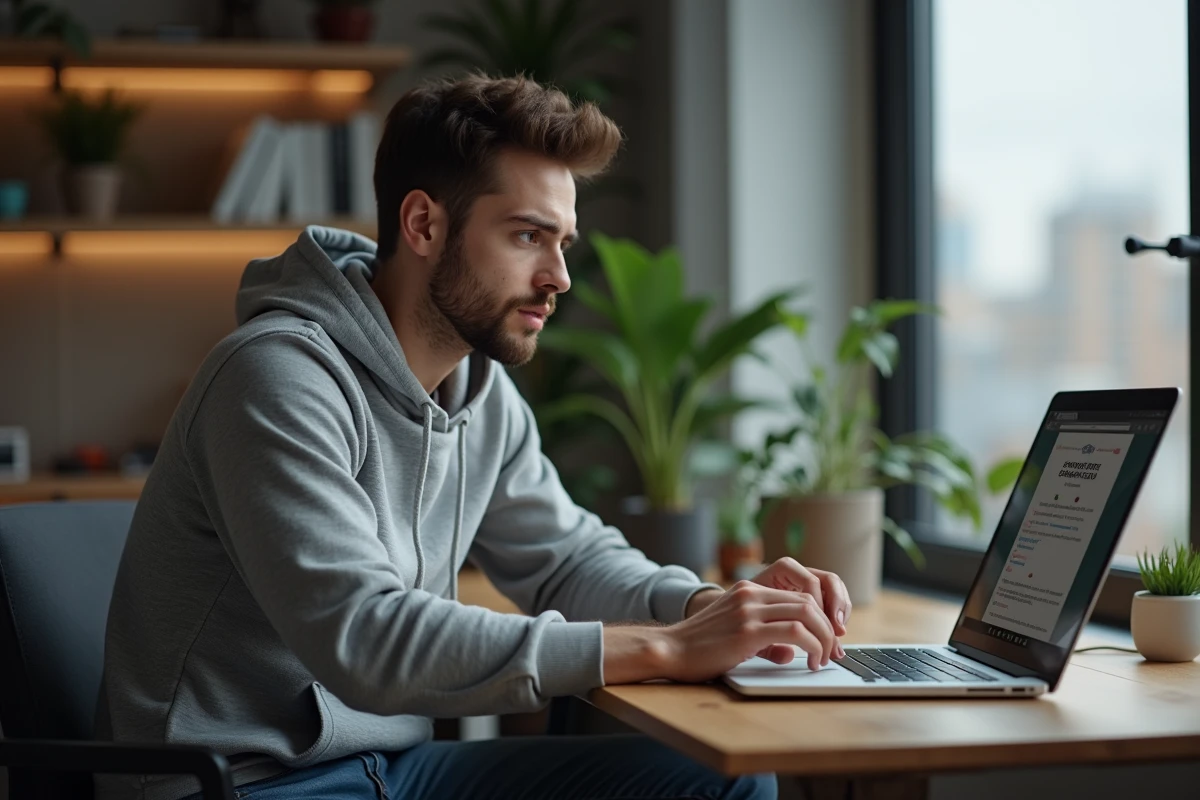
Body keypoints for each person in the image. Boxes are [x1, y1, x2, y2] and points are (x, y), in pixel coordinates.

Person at [94, 74, 852, 800]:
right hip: (241, 784)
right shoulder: (273, 378)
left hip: (393, 770)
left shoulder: (478, 393)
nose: (558, 276)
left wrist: (709, 611)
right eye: (528, 236)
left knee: (725, 781)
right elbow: (365, 637)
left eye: (563, 242)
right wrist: (666, 649)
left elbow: (568, 562)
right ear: (424, 224)